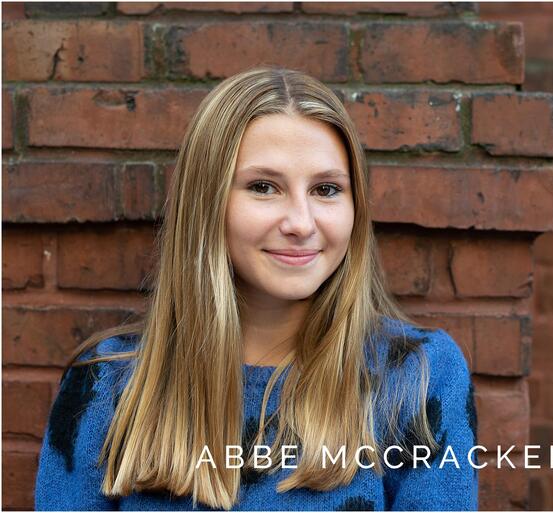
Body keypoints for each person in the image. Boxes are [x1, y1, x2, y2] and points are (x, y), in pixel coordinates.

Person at [34, 66, 479, 511]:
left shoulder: (417, 376)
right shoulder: (109, 384)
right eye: (263, 187)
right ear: (207, 204)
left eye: (326, 189)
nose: (301, 223)